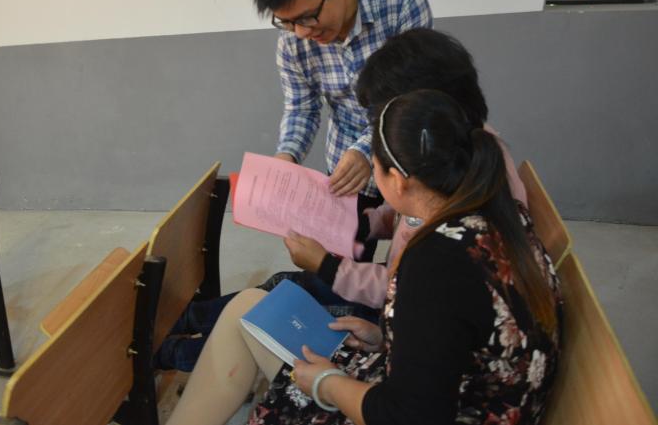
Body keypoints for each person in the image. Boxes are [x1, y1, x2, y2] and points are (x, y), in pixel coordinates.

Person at [167, 89, 562, 425]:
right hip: (462, 393)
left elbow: (410, 417)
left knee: (259, 317)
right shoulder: (496, 212)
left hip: (420, 410)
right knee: (251, 307)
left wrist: (328, 384)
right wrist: (388, 338)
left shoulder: (434, 261)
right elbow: (458, 332)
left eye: (374, 168)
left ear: (399, 181)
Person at [154, 28, 527, 371]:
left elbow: (404, 291)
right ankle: (180, 320)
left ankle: (168, 353)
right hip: (398, 303)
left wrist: (327, 265)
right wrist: (364, 222)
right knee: (285, 285)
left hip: (393, 318)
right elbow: (404, 224)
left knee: (268, 315)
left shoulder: (457, 217)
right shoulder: (460, 153)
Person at [252, 0, 433, 263]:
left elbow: (412, 97)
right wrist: (287, 157)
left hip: (410, 161)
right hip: (346, 174)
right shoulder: (293, 42)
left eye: (308, 17)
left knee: (413, 264)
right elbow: (302, 108)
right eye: (287, 22)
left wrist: (366, 150)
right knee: (344, 268)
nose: (302, 32)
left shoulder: (402, 0)